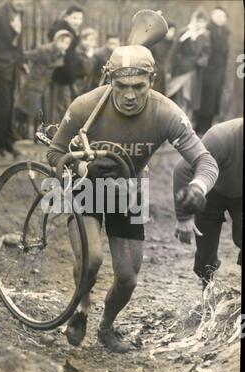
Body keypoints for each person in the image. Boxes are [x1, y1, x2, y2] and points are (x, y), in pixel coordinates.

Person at [47, 45, 219, 353]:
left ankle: (106, 326)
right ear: (109, 80)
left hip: (128, 190)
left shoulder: (165, 112)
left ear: (152, 81)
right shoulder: (86, 106)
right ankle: (82, 307)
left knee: (127, 278)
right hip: (85, 187)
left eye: (138, 86)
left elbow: (205, 161)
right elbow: (54, 153)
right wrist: (82, 166)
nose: (130, 95)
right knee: (92, 260)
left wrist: (198, 188)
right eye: (121, 86)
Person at [174, 118, 242, 290]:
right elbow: (182, 170)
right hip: (209, 193)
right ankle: (207, 292)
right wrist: (184, 216)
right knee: (205, 256)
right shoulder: (221, 137)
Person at [0, 0, 26, 157]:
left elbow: (18, 41)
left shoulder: (20, 13)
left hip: (13, 66)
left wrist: (21, 61)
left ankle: (8, 142)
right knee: (0, 104)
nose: (22, 2)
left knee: (9, 104)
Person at [16, 30, 73, 128]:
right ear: (56, 40)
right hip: (35, 82)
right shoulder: (44, 50)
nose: (65, 45)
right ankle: (19, 131)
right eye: (62, 41)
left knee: (40, 110)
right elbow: (25, 55)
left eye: (67, 43)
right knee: (26, 109)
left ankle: (32, 132)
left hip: (45, 84)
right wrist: (26, 68)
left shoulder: (61, 54)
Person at [167, 9, 211, 124]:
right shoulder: (184, 32)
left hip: (194, 72)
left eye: (202, 22)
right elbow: (174, 50)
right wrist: (172, 68)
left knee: (190, 98)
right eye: (197, 20)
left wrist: (200, 61)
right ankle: (174, 122)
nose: (199, 24)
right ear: (193, 19)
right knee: (177, 96)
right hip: (181, 70)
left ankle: (187, 122)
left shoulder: (205, 35)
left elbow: (206, 53)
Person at [196, 7, 230, 135]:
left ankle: (207, 127)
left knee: (215, 101)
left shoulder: (225, 32)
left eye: (223, 16)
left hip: (219, 72)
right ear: (213, 16)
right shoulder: (208, 30)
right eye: (218, 15)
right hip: (208, 71)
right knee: (205, 100)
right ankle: (200, 128)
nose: (221, 18)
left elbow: (225, 53)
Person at [47, 5, 84, 123]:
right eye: (74, 18)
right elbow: (61, 51)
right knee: (60, 104)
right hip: (62, 71)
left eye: (79, 18)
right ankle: (57, 132)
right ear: (67, 17)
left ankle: (62, 131)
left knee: (65, 103)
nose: (77, 22)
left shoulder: (68, 28)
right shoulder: (62, 29)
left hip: (68, 70)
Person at [150, 23, 176, 95]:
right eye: (170, 31)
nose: (171, 33)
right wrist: (155, 69)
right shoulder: (156, 42)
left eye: (173, 31)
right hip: (158, 75)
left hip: (169, 76)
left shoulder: (174, 44)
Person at [73, 27, 99, 95]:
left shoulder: (92, 52)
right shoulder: (78, 52)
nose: (93, 42)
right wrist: (90, 57)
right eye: (90, 40)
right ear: (83, 40)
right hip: (78, 85)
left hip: (88, 85)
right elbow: (87, 70)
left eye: (94, 40)